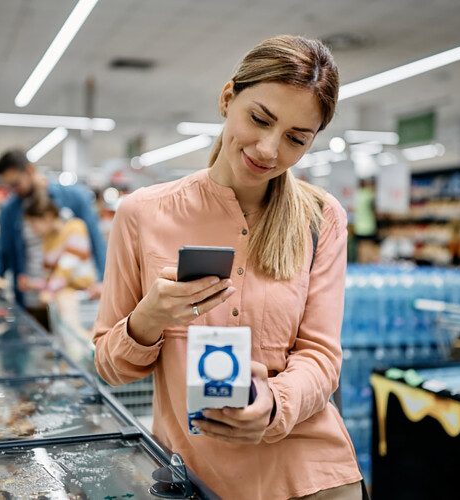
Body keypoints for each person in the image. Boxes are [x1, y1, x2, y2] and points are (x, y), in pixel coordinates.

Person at [93, 35, 363, 500]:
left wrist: (275, 405)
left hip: (313, 479)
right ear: (227, 97)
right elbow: (109, 367)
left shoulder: (323, 218)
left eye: (296, 139)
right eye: (259, 118)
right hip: (198, 479)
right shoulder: (142, 214)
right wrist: (148, 320)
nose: (268, 149)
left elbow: (321, 357)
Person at [0, 150, 107, 313]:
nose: (13, 190)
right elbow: (4, 252)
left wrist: (104, 281)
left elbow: (96, 242)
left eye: (16, 183)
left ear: (30, 170)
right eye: (8, 186)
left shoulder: (74, 198)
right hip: (31, 299)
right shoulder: (10, 210)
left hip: (67, 297)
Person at [21, 193, 96, 302]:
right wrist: (32, 284)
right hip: (61, 298)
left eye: (33, 223)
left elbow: (66, 269)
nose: (33, 229)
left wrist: (49, 290)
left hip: (82, 297)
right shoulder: (48, 240)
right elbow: (50, 277)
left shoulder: (75, 227)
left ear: (47, 217)